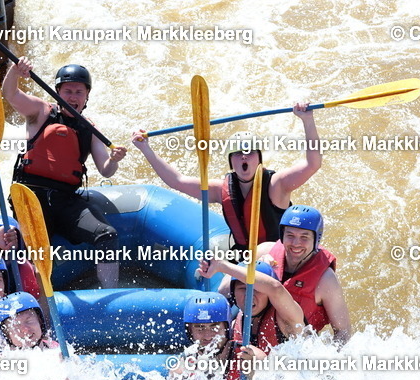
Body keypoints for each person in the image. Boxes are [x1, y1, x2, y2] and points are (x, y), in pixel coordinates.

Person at [3, 58, 127, 288]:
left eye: (79, 92)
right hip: (32, 198)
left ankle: (109, 293)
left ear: (86, 96)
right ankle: (28, 297)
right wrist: (15, 71)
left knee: (107, 235)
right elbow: (10, 94)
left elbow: (106, 170)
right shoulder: (40, 111)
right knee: (33, 251)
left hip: (66, 201)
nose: (73, 97)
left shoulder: (89, 129)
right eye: (68, 91)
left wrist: (114, 159)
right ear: (57, 92)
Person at [131, 105, 322, 251]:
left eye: (250, 152)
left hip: (278, 255)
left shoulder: (276, 185)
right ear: (231, 162)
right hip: (244, 257)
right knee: (222, 287)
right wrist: (145, 148)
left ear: (259, 159)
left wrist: (307, 120)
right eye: (238, 153)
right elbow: (177, 181)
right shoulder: (219, 190)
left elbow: (312, 164)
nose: (244, 156)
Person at [256, 205, 351, 343]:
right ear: (282, 235)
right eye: (290, 235)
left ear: (316, 239)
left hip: (293, 349)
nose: (296, 243)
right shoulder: (264, 252)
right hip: (252, 340)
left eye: (304, 237)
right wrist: (258, 270)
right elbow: (228, 290)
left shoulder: (326, 280)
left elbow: (343, 332)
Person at [197, 259, 305, 354]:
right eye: (243, 289)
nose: (249, 295)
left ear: (269, 295)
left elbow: (276, 288)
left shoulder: (287, 319)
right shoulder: (233, 324)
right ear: (234, 293)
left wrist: (222, 266)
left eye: (256, 289)